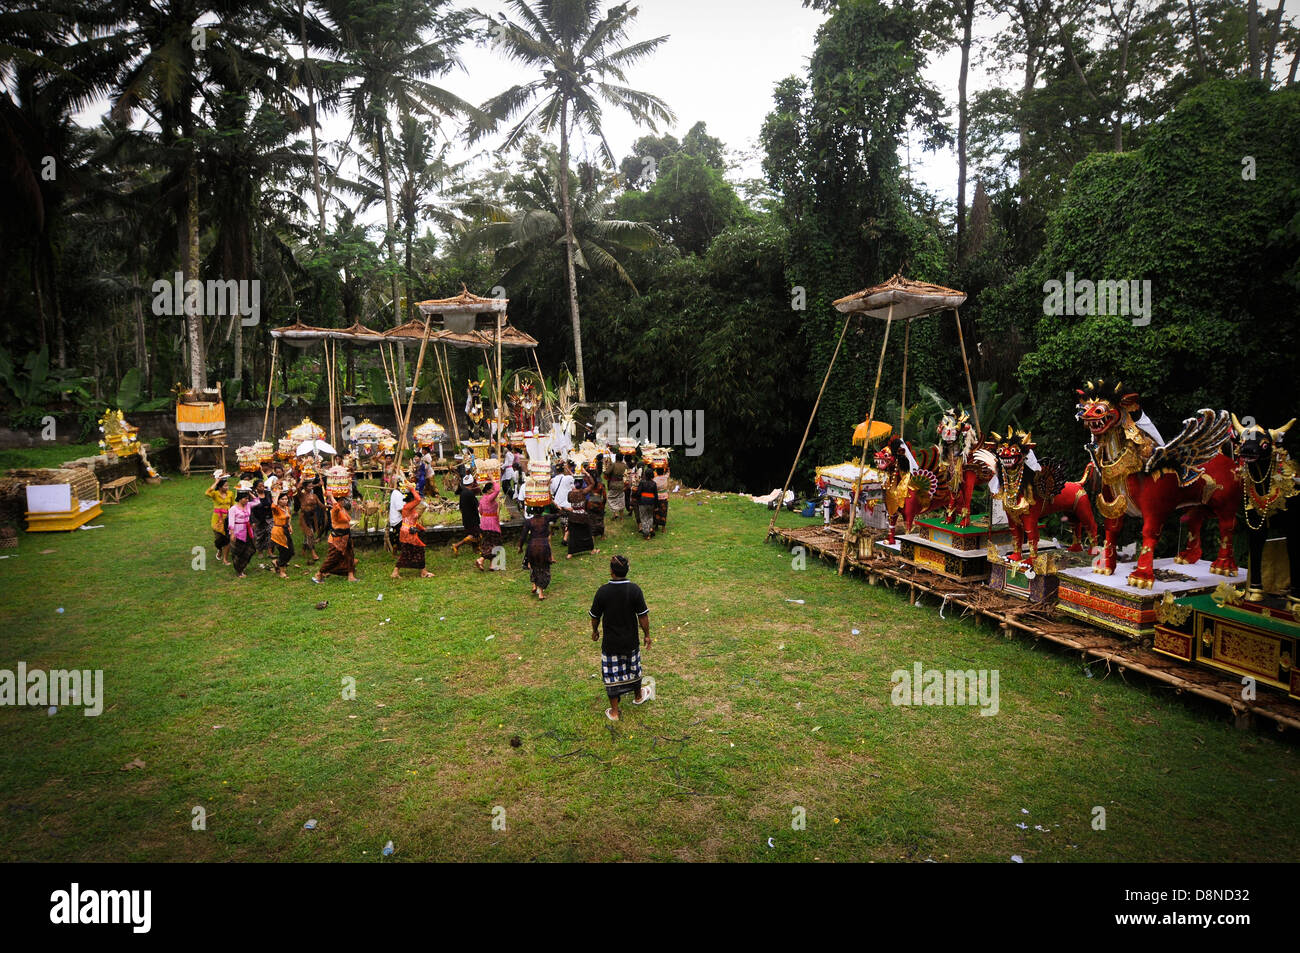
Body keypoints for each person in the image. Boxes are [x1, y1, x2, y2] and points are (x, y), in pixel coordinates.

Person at [589, 554, 652, 721]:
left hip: (610, 643)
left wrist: (595, 631)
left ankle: (615, 712)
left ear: (611, 572)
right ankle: (638, 697)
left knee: (611, 675)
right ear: (627, 570)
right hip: (631, 641)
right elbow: (643, 616)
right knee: (634, 669)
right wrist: (647, 635)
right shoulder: (634, 590)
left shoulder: (603, 592)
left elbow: (595, 616)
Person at [391, 481, 433, 580]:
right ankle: (423, 571)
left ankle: (396, 571)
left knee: (407, 552)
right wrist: (412, 489)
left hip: (409, 530)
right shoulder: (407, 506)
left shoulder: (410, 507)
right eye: (414, 494)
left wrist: (420, 527)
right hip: (408, 532)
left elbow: (411, 520)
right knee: (419, 550)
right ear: (412, 497)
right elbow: (418, 499)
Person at [314, 493, 358, 582]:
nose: (343, 501)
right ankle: (319, 573)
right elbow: (336, 507)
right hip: (337, 538)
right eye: (341, 500)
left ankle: (350, 575)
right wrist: (331, 496)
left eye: (344, 500)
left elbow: (348, 516)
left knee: (350, 555)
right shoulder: (334, 510)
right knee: (333, 558)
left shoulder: (343, 509)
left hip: (346, 536)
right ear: (338, 501)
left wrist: (358, 507)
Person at [518, 506, 560, 599]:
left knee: (533, 566)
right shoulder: (546, 518)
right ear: (542, 511)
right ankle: (540, 593)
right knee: (544, 567)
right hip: (544, 546)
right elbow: (558, 515)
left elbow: (523, 536)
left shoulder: (529, 522)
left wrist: (520, 547)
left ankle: (534, 585)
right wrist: (556, 506)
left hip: (532, 546)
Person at [566, 474, 599, 558]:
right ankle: (592, 550)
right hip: (583, 516)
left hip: (573, 516)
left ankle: (570, 553)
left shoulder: (570, 494)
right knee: (587, 533)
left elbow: (569, 501)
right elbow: (592, 484)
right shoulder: (583, 492)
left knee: (573, 535)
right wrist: (587, 474)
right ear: (581, 484)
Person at [206, 471, 235, 565]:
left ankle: (225, 559)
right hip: (217, 519)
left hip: (227, 518)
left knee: (227, 539)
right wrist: (216, 482)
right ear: (220, 486)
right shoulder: (215, 494)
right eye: (225, 486)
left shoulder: (230, 494)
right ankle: (219, 549)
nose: (227, 487)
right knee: (218, 539)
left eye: (228, 486)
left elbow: (233, 505)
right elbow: (207, 493)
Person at [475, 479, 503, 571]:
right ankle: (481, 559)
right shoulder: (490, 498)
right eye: (491, 489)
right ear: (487, 490)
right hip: (492, 524)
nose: (493, 491)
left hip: (484, 523)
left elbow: (480, 511)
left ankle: (492, 565)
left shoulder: (483, 499)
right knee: (495, 543)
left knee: (487, 543)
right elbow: (498, 490)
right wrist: (493, 479)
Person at [298, 475, 327, 562]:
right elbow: (298, 488)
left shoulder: (314, 496)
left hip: (313, 517)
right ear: (305, 487)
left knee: (309, 534)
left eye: (311, 486)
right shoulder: (302, 495)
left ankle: (304, 547)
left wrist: (328, 506)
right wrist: (302, 479)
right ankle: (313, 553)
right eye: (309, 486)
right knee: (310, 534)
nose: (311, 487)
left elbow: (321, 505)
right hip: (304, 517)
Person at [228, 487, 255, 578]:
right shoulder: (233, 509)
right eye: (245, 498)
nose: (247, 500)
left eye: (248, 499)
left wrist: (250, 493)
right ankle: (239, 570)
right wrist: (232, 533)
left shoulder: (248, 505)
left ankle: (243, 565)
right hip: (238, 531)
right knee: (239, 551)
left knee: (251, 549)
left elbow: (257, 502)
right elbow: (231, 521)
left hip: (248, 530)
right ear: (240, 498)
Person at [269, 486, 295, 578]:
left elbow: (288, 518)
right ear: (279, 500)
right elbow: (273, 505)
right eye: (283, 499)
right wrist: (277, 494)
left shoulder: (287, 508)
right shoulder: (276, 509)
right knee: (284, 551)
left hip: (286, 530)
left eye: (286, 499)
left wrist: (290, 526)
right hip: (278, 531)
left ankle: (276, 562)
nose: (285, 501)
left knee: (291, 551)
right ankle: (282, 572)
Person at [452, 475, 481, 555]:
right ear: (472, 483)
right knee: (476, 535)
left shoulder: (463, 493)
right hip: (472, 518)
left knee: (472, 534)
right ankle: (457, 545)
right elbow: (476, 504)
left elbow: (461, 507)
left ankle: (476, 549)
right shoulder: (470, 493)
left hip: (466, 517)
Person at [250, 477, 273, 558]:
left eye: (263, 486)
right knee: (259, 535)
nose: (262, 488)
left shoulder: (267, 493)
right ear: (256, 488)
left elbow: (271, 503)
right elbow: (251, 509)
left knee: (270, 534)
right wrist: (252, 521)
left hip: (269, 517)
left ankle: (269, 551)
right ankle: (260, 551)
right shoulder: (253, 496)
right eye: (260, 486)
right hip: (258, 518)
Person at [586, 462, 607, 537]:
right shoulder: (600, 485)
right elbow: (604, 496)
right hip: (599, 503)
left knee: (591, 519)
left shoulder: (587, 483)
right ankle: (602, 535)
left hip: (590, 503)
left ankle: (592, 535)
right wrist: (603, 504)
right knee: (600, 519)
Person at [636, 467, 658, 539]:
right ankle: (650, 529)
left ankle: (646, 534)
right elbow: (656, 495)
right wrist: (656, 505)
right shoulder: (654, 484)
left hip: (643, 502)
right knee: (650, 516)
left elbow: (638, 493)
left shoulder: (642, 482)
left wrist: (638, 500)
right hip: (651, 502)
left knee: (643, 518)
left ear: (645, 474)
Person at [606, 453, 627, 521]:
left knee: (611, 498)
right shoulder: (625, 465)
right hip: (621, 484)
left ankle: (615, 514)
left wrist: (607, 466)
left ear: (616, 458)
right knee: (621, 500)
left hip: (613, 484)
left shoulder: (614, 464)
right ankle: (621, 517)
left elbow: (606, 472)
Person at [387, 481, 405, 550]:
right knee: (398, 538)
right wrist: (407, 517)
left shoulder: (397, 492)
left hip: (397, 519)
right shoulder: (397, 494)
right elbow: (400, 509)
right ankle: (398, 550)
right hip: (397, 520)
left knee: (397, 537)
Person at [654, 463, 670, 535]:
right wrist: (667, 466)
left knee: (656, 512)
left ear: (656, 472)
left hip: (657, 497)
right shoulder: (665, 477)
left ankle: (656, 525)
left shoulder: (654, 479)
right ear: (663, 472)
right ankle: (663, 528)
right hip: (664, 497)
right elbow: (668, 472)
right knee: (664, 512)